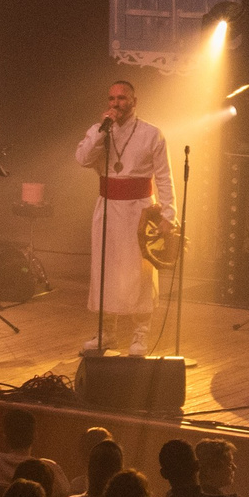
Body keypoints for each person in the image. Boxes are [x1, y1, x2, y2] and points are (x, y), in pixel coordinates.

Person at [72, 78, 173, 356]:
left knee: (140, 273)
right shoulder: (99, 131)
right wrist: (100, 133)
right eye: (112, 99)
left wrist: (168, 214)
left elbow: (164, 177)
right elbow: (82, 159)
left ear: (134, 101)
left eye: (122, 98)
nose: (116, 104)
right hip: (107, 208)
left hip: (140, 210)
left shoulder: (152, 133)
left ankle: (141, 333)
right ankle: (106, 333)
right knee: (106, 271)